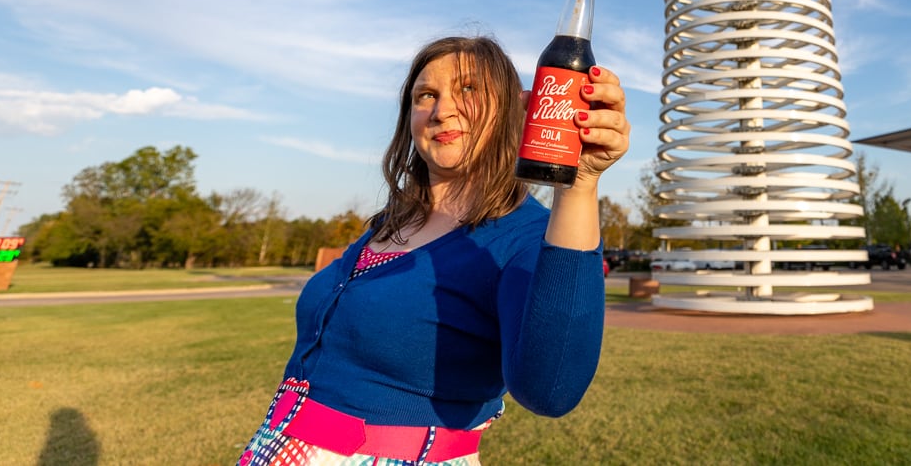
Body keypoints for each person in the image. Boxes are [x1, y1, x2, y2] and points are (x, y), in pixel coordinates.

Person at [238, 35, 631, 466]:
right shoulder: (392, 220)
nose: (442, 111)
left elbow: (551, 390)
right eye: (426, 95)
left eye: (468, 90)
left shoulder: (527, 237)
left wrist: (578, 188)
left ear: (513, 111)